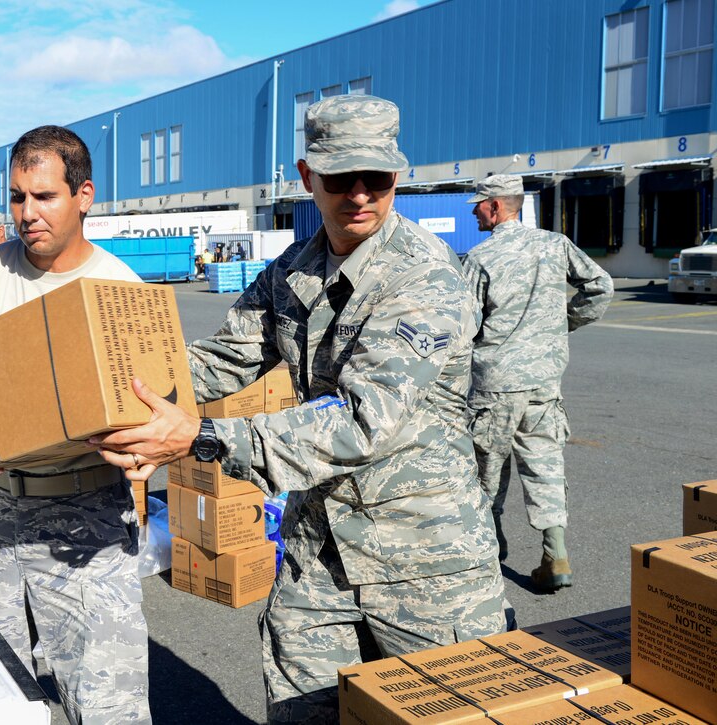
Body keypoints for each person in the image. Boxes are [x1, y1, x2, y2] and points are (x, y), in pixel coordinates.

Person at [91, 95, 507, 724]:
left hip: (424, 564)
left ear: (398, 176)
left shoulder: (424, 277)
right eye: (342, 178)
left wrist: (202, 439)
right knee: (301, 713)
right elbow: (223, 359)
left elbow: (362, 418)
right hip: (318, 554)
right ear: (308, 177)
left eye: (378, 178)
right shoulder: (294, 268)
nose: (361, 194)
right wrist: (107, 395)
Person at [0, 125, 150, 724]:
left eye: (44, 197)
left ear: (84, 195)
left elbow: (143, 416)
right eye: (17, 198)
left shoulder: (117, 292)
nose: (27, 214)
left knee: (110, 706)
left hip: (86, 523)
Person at [463, 174, 613, 591]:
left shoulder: (480, 258)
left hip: (495, 384)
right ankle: (556, 554)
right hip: (544, 380)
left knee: (484, 471)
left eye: (478, 204)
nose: (474, 210)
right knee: (545, 465)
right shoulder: (555, 244)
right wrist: (562, 324)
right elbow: (601, 287)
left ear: (495, 207)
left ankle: (489, 552)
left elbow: (464, 326)